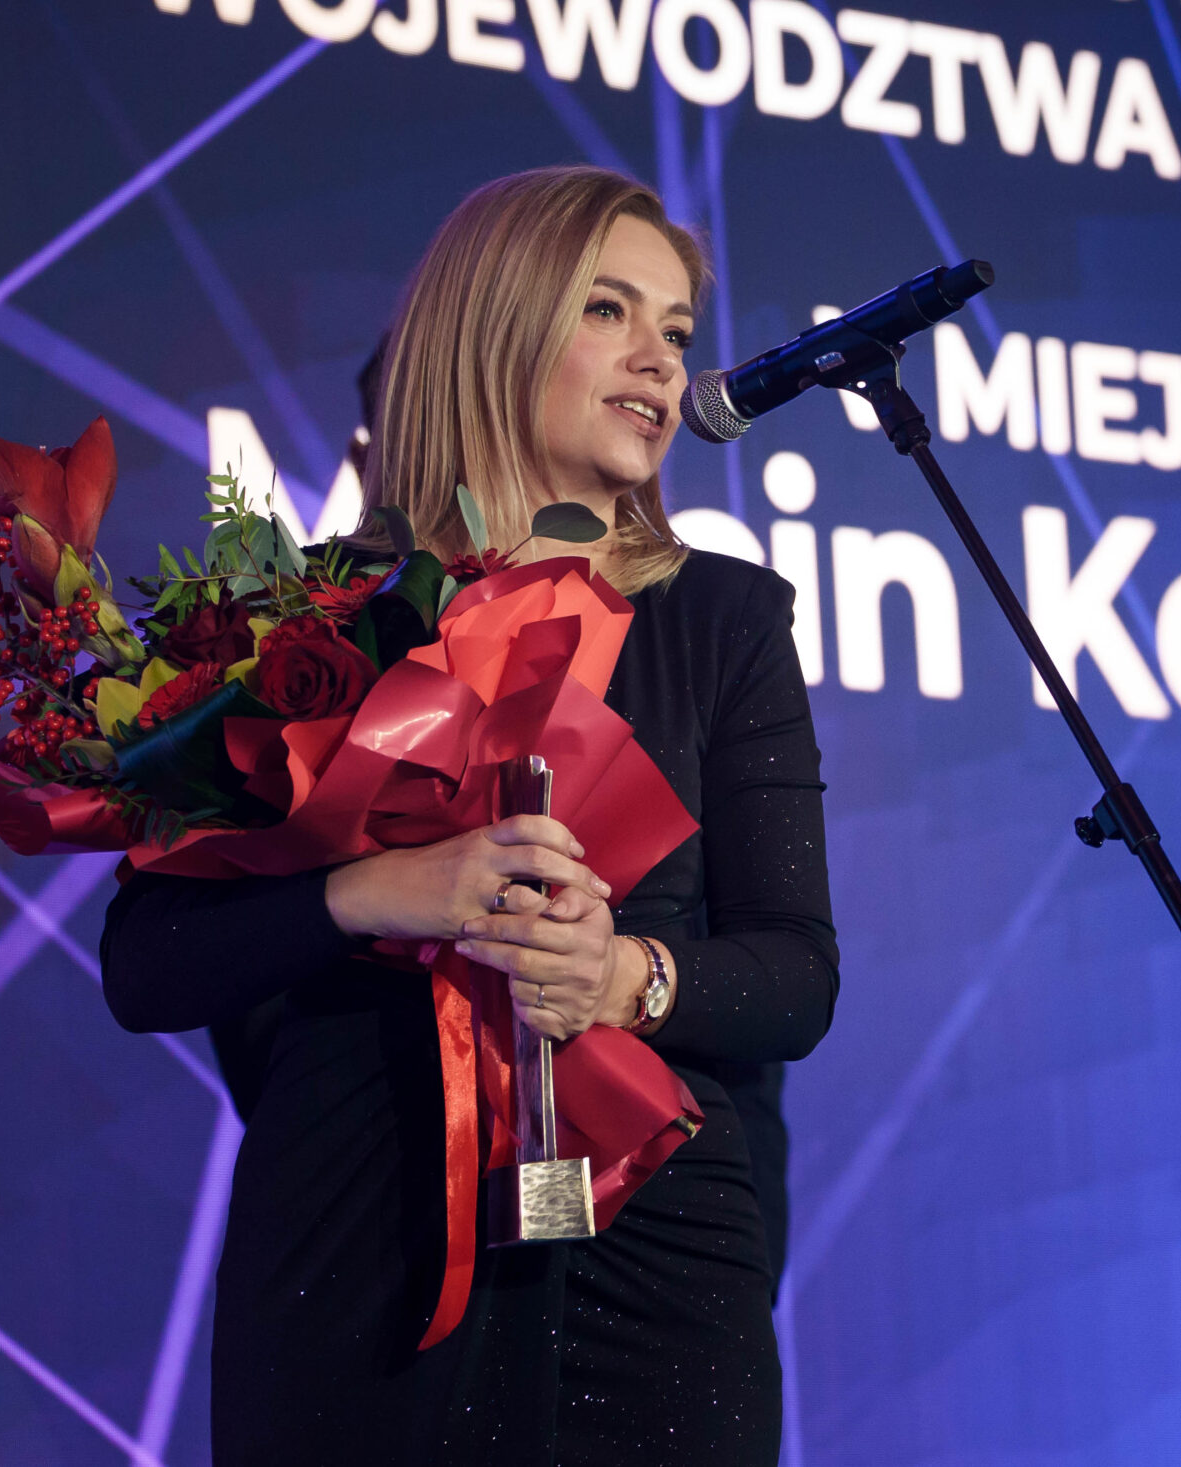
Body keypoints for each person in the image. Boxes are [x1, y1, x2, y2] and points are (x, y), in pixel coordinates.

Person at [101, 165, 837, 1466]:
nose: (661, 362)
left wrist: (621, 976)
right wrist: (372, 895)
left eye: (675, 329)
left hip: (655, 1263)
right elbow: (148, 963)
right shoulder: (295, 622)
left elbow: (795, 978)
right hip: (359, 1253)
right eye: (608, 310)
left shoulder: (726, 621)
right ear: (494, 324)